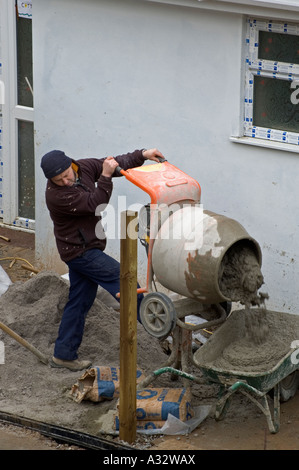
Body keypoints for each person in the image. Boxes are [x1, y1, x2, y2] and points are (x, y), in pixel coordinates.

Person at [41, 147, 164, 371]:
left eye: (67, 175)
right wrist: (106, 177)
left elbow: (113, 163)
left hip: (86, 246)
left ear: (71, 164)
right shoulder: (57, 196)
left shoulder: (83, 166)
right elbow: (96, 203)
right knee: (126, 282)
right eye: (58, 180)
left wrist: (143, 155)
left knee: (79, 301)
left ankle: (63, 355)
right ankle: (154, 335)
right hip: (81, 252)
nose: (66, 182)